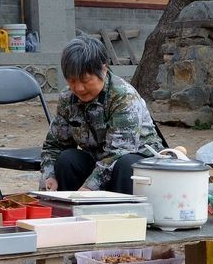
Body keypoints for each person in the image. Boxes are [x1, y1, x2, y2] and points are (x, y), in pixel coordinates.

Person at [40, 36, 162, 193]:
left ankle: (121, 209)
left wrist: (89, 187)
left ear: (103, 70)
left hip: (135, 166)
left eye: (85, 80)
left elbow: (118, 153)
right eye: (72, 81)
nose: (79, 88)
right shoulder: (67, 98)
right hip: (99, 164)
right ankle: (70, 207)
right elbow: (55, 145)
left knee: (125, 164)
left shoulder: (123, 96)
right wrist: (50, 175)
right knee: (67, 159)